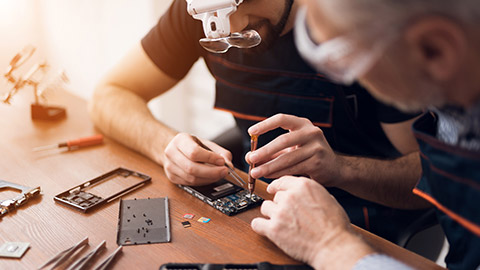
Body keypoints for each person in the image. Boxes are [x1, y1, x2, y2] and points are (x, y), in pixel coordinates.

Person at [89, 0, 429, 243]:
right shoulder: (197, 12)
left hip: (362, 231)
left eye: (246, 2)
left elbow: (439, 177)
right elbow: (110, 95)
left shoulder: (356, 20)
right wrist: (165, 145)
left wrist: (341, 169)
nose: (234, 29)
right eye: (216, 19)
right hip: (261, 214)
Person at [250, 0, 480, 269]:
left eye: (346, 61)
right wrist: (338, 168)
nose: (351, 80)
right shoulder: (456, 109)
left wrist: (330, 246)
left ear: (436, 49)